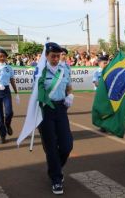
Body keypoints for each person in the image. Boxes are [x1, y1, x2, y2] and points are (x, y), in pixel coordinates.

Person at [37, 42, 74, 195]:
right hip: (45, 110)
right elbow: (35, 94)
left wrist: (70, 96)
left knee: (67, 145)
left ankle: (54, 168)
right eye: (53, 56)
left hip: (61, 108)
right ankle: (56, 179)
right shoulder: (40, 71)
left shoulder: (64, 69)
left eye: (58, 56)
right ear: (46, 56)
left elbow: (69, 86)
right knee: (51, 146)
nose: (56, 59)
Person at [0, 49, 19, 144]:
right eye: (0, 56)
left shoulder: (9, 68)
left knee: (9, 112)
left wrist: (16, 93)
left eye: (3, 56)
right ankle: (2, 135)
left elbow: (12, 81)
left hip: (6, 91)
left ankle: (8, 124)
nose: (1, 58)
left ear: (6, 57)